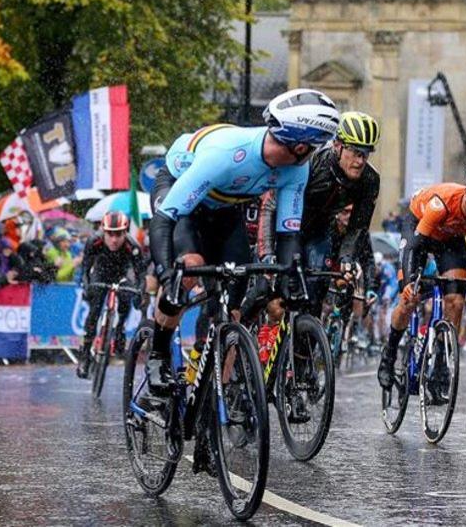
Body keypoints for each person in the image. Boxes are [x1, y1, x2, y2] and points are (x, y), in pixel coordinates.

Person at [144, 88, 340, 396]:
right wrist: (166, 270)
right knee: (188, 269)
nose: (315, 153)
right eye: (315, 146)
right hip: (181, 197)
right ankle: (157, 356)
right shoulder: (224, 156)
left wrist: (291, 274)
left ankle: (212, 397)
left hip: (224, 207)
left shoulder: (296, 169)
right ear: (300, 145)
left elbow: (288, 233)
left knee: (233, 304)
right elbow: (166, 218)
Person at [253, 111, 381, 352]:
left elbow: (358, 227)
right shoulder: (312, 163)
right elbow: (271, 204)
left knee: (314, 294)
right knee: (271, 293)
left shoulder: (370, 180)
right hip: (284, 227)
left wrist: (346, 258)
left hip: (319, 232)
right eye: (355, 152)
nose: (360, 161)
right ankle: (246, 339)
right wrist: (267, 253)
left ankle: (301, 367)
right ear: (338, 146)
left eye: (366, 154)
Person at [376, 165, 466, 391]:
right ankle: (390, 353)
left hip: (450, 238)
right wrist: (408, 283)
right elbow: (414, 247)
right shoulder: (442, 203)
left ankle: (441, 365)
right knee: (408, 299)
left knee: (456, 300)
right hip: (419, 228)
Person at [76, 211, 154, 378]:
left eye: (118, 234)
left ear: (125, 232)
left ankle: (119, 330)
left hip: (122, 275)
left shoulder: (132, 246)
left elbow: (141, 275)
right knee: (95, 309)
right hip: (100, 274)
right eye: (110, 234)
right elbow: (85, 269)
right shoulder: (93, 241)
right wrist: (87, 287)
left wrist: (140, 292)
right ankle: (84, 357)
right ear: (103, 231)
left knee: (127, 296)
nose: (114, 239)